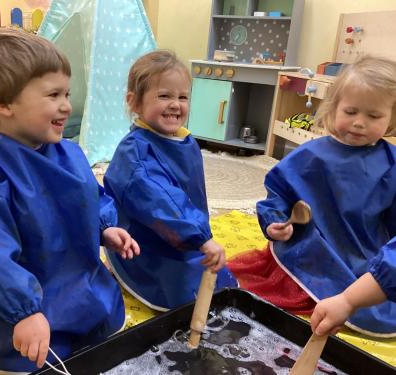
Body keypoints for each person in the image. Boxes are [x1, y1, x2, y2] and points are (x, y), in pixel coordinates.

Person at [0, 27, 139, 373]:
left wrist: (105, 227)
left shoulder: (68, 153)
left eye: (67, 93)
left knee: (102, 333)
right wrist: (23, 312)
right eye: (52, 95)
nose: (66, 105)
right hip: (13, 303)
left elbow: (91, 195)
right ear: (3, 103)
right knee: (34, 356)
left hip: (69, 277)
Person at [228, 55, 396, 337]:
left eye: (374, 116)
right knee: (284, 290)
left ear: (391, 118)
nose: (359, 123)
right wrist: (274, 222)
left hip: (362, 256)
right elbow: (278, 195)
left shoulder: (391, 164)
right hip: (307, 249)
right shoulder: (311, 155)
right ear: (333, 109)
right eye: (350, 111)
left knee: (369, 299)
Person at [103, 50, 237, 312]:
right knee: (188, 298)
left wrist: (199, 234)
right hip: (149, 244)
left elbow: (189, 194)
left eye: (182, 97)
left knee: (219, 283)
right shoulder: (136, 152)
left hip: (185, 231)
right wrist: (199, 236)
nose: (175, 104)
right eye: (164, 96)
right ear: (135, 102)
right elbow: (161, 200)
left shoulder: (185, 141)